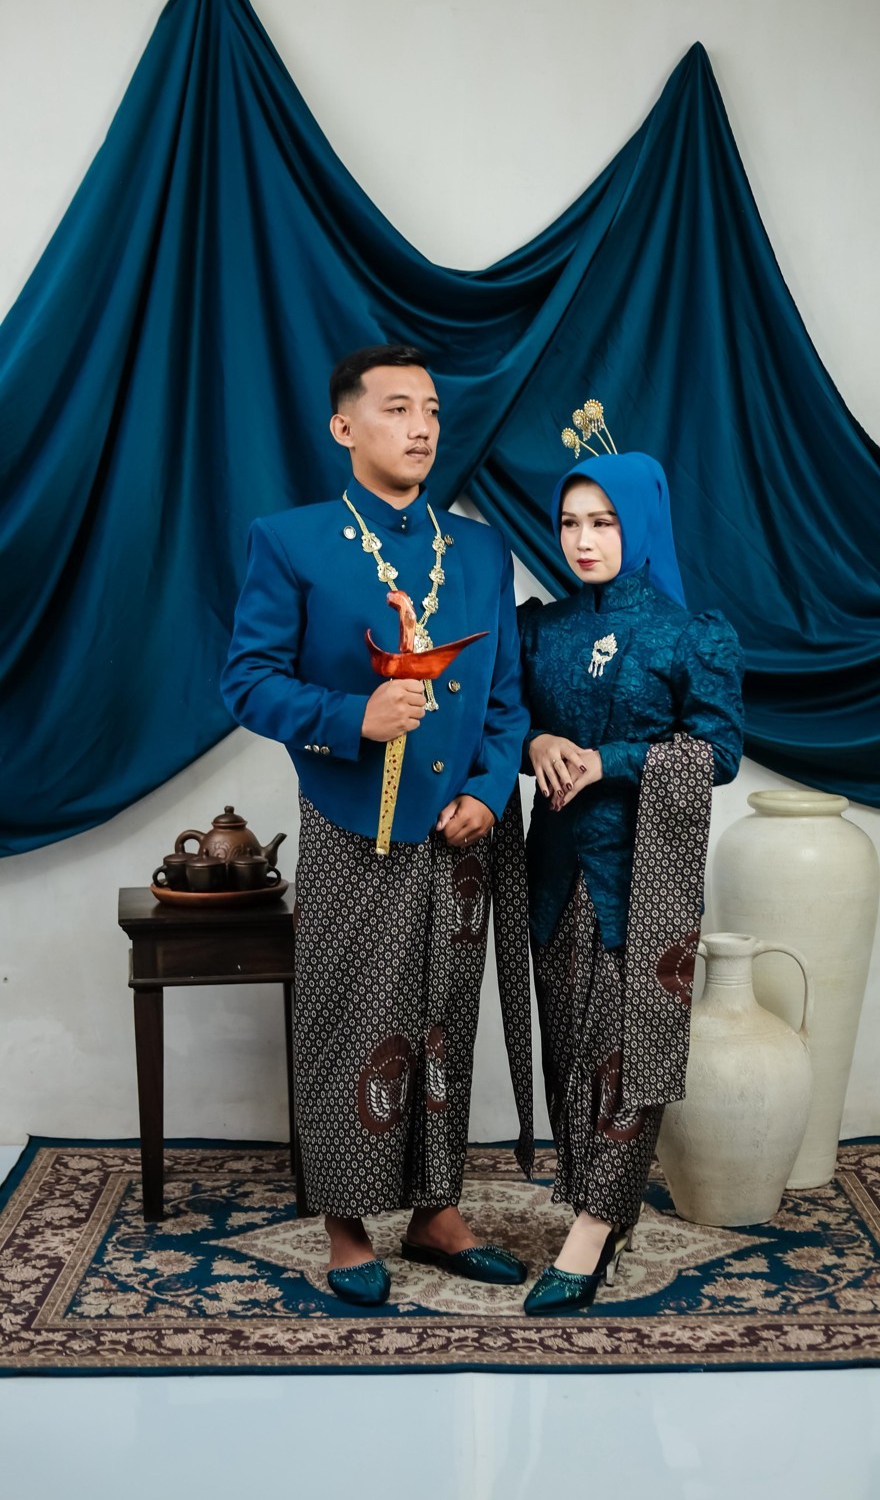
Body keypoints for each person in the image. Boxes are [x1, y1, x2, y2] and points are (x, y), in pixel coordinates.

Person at [222, 344, 532, 1307]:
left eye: (431, 410)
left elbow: (506, 697)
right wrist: (351, 717)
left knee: (446, 1021)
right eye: (398, 408)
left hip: (462, 827)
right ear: (344, 426)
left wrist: (490, 788)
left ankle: (438, 1211)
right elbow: (248, 681)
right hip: (351, 818)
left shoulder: (482, 550)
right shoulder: (291, 540)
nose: (422, 427)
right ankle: (347, 1224)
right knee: (349, 1018)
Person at [517, 450, 744, 1314]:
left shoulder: (690, 636)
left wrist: (608, 760)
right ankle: (600, 1208)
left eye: (604, 522)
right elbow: (506, 719)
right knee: (570, 1049)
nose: (584, 540)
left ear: (640, 523)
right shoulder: (541, 629)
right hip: (554, 868)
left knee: (629, 1051)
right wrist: (537, 742)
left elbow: (718, 751)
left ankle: (588, 1231)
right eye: (571, 523)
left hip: (643, 873)